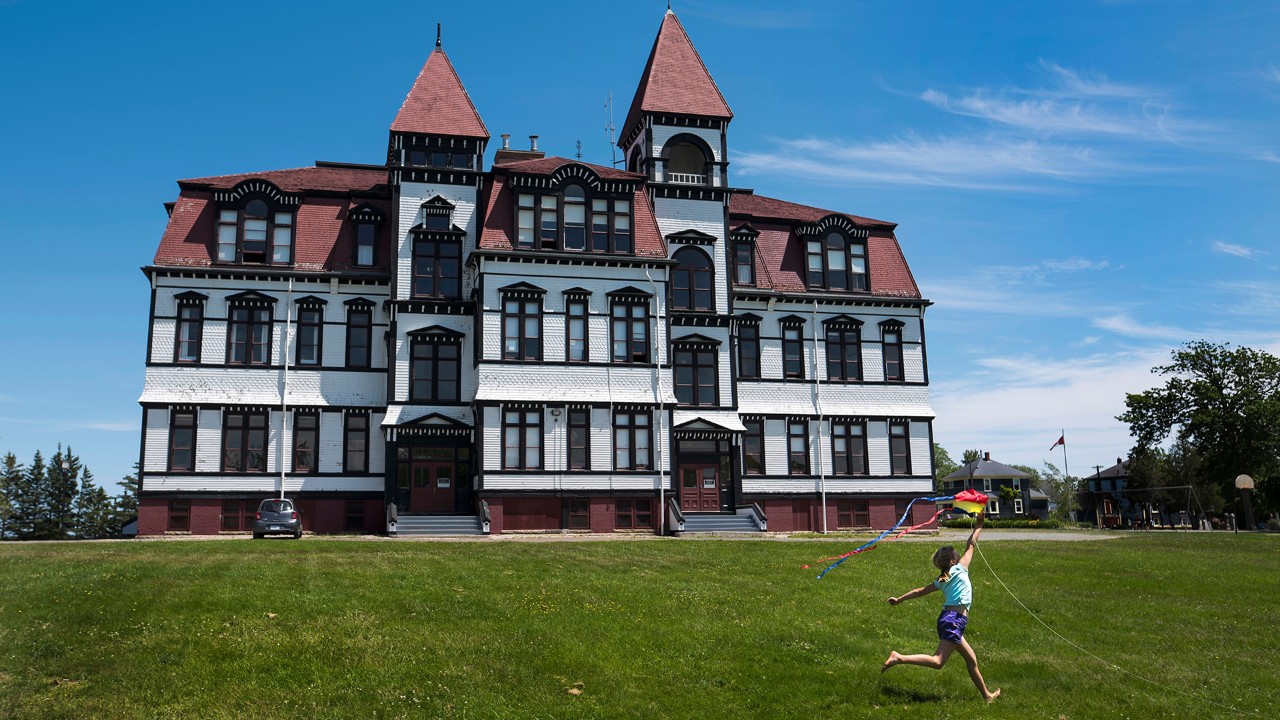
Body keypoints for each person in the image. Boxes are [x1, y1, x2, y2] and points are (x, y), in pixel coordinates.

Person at [881, 511, 1001, 703]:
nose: (960, 556)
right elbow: (971, 543)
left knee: (971, 660)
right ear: (953, 561)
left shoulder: (943, 578)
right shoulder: (960, 568)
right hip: (954, 621)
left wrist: (900, 599)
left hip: (950, 620)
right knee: (938, 662)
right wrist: (980, 524)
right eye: (957, 555)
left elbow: (920, 591)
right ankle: (899, 657)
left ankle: (987, 696)